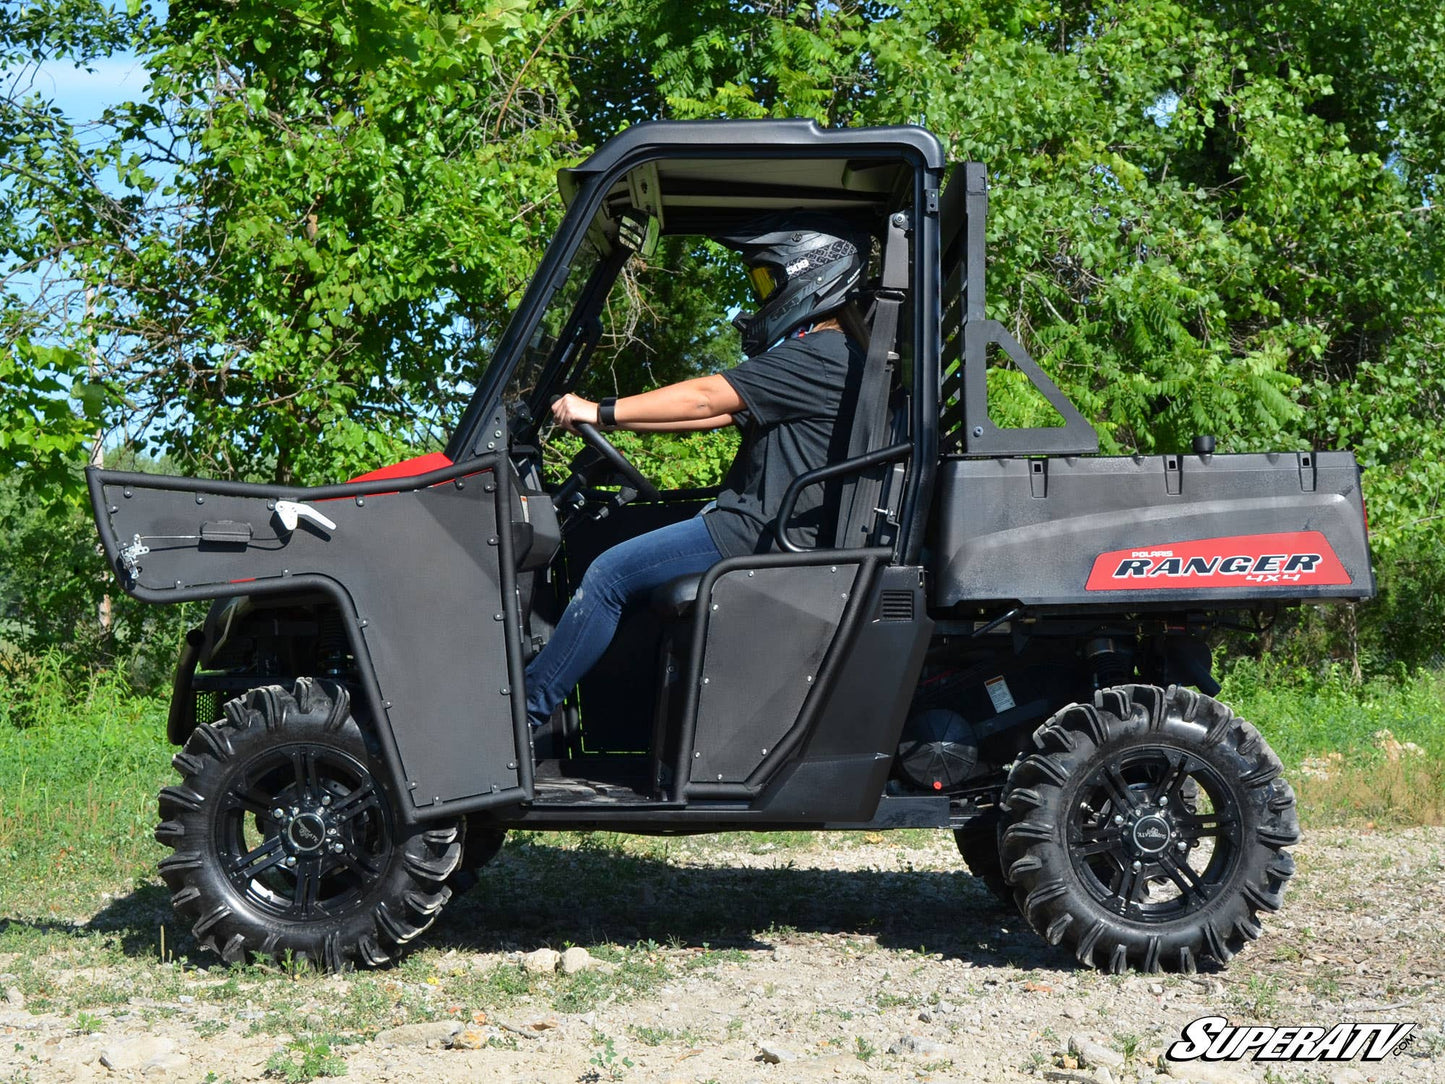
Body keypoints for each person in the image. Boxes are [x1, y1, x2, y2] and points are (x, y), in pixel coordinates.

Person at [524, 213, 871, 746]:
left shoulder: (819, 356)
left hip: (755, 532)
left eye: (766, 281)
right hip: (758, 523)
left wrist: (599, 409)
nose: (762, 296)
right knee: (616, 554)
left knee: (607, 575)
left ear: (809, 273)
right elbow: (713, 414)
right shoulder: (835, 355)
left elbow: (708, 396)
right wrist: (613, 417)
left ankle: (522, 713)